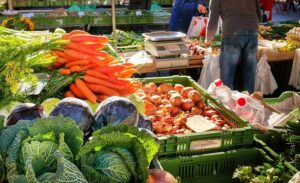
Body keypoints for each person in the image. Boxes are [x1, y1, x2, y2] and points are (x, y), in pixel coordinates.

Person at [205, 0, 261, 93]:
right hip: (252, 31)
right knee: (250, 72)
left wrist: (209, 39)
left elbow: (213, 19)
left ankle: (228, 104)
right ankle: (249, 101)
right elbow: (259, 15)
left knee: (228, 73)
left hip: (232, 31)